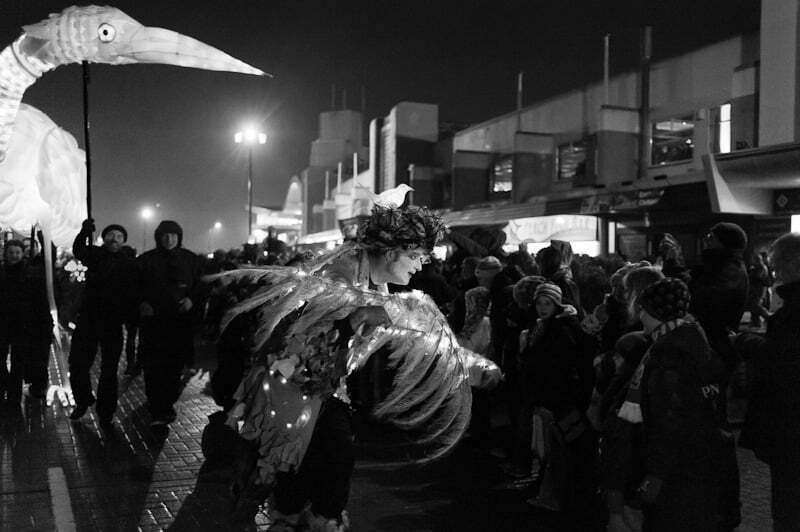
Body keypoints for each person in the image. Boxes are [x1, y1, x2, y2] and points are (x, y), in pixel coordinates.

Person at [214, 196, 501, 530]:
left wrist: (470, 365)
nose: (420, 266)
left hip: (324, 388)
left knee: (324, 465)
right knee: (283, 468)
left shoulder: (377, 286)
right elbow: (329, 310)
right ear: (392, 252)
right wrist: (373, 314)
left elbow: (412, 334)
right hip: (288, 389)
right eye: (415, 257)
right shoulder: (342, 272)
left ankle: (307, 518)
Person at [623, 278, 726, 531]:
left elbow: (669, 420)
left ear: (658, 313)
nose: (640, 316)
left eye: (644, 311)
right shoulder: (693, 341)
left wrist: (654, 475)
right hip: (697, 464)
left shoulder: (668, 354)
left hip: (676, 471)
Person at [740, 232, 800, 531]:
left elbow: (782, 363)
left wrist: (748, 344)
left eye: (776, 266)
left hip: (791, 425)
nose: (774, 273)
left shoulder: (793, 312)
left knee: (789, 504)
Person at [68, 219, 137, 426]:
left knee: (109, 369)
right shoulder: (94, 254)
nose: (114, 239)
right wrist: (84, 231)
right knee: (78, 363)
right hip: (88, 318)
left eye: (119, 236)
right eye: (111, 235)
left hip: (112, 321)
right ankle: (83, 399)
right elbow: (78, 250)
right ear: (104, 238)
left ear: (123, 241)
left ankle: (106, 411)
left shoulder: (128, 262)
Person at [136, 220, 203, 426]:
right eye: (165, 235)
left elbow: (201, 284)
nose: (169, 239)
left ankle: (167, 403)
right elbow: (134, 286)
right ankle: (157, 406)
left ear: (179, 237)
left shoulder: (190, 259)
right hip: (154, 322)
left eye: (173, 235)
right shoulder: (146, 260)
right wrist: (142, 302)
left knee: (174, 366)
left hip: (178, 322)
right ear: (158, 237)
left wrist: (192, 299)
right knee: (153, 366)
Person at [0, 240, 52, 405]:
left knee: (18, 361)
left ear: (22, 254)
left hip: (22, 323)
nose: (14, 256)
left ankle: (14, 395)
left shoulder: (30, 273)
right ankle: (4, 385)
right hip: (3, 322)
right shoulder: (2, 271)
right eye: (11, 252)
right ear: (5, 253)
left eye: (17, 252)